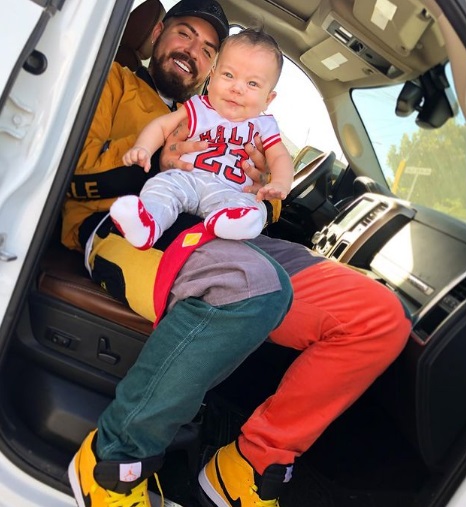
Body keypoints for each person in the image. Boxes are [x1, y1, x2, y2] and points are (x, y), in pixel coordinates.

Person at [66, 1, 410, 506]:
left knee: (377, 316)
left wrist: (258, 188)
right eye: (185, 34)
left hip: (227, 233)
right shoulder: (112, 82)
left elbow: (267, 199)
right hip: (125, 225)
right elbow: (68, 171)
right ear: (157, 33)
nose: (193, 51)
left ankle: (248, 465)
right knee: (249, 284)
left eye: (209, 49)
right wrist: (154, 163)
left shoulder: (234, 121)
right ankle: (113, 463)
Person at [113, 28, 292, 249]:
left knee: (254, 208)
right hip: (186, 180)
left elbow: (280, 157)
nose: (237, 88)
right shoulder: (198, 107)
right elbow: (161, 126)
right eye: (229, 75)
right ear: (212, 77)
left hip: (229, 194)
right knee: (161, 186)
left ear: (268, 99)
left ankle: (227, 224)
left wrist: (280, 183)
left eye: (252, 84)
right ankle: (148, 225)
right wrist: (143, 148)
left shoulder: (264, 127)